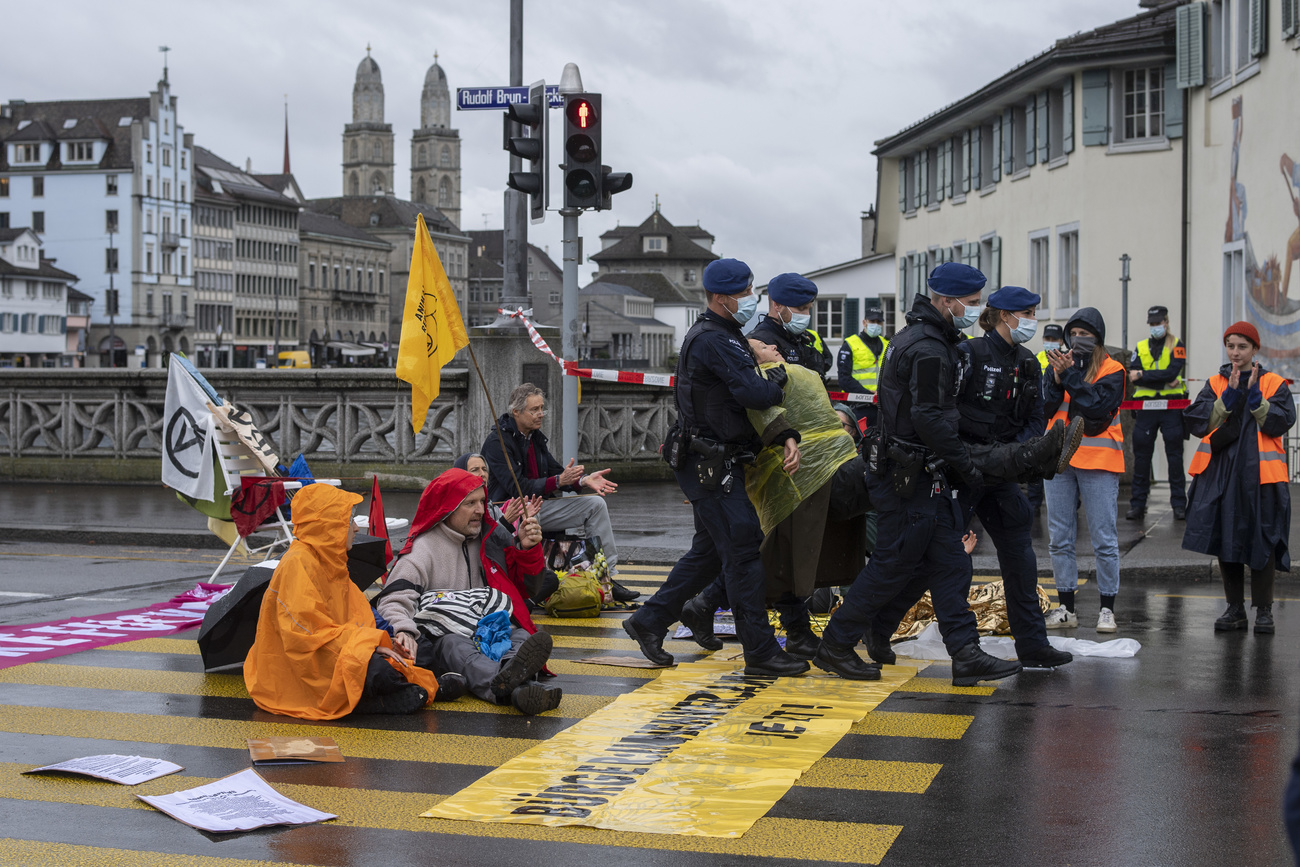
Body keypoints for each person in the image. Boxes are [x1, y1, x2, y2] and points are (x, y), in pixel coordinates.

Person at [811, 262, 1025, 687]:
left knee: (949, 564)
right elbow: (928, 417)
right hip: (908, 475)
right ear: (946, 301)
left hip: (918, 471)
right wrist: (966, 465)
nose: (974, 309)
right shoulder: (928, 348)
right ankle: (835, 644)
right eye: (971, 302)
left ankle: (965, 655)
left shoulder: (919, 338)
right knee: (891, 564)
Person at [622, 258, 809, 677]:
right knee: (743, 553)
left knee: (710, 553)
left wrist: (782, 432)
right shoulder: (715, 339)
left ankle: (648, 621)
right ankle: (760, 652)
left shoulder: (726, 334)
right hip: (711, 465)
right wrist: (774, 370)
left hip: (714, 460)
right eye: (744, 294)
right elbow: (757, 394)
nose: (751, 300)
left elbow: (741, 404)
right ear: (722, 299)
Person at [373, 468, 564, 714]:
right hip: (448, 641)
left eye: (482, 501)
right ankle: (514, 683)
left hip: (493, 633)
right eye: (470, 503)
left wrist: (527, 549)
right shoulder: (422, 550)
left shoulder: (492, 539)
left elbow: (527, 588)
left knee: (521, 636)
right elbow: (393, 601)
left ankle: (518, 691)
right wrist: (403, 629)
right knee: (454, 645)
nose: (481, 510)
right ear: (447, 507)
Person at [955, 287, 1077, 669]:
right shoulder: (970, 353)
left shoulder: (1027, 361)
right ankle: (883, 629)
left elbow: (1035, 418)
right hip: (964, 467)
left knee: (1020, 556)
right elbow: (947, 411)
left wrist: (1022, 453)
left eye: (1033, 312)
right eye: (1025, 312)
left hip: (1001, 470)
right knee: (941, 556)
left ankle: (1033, 645)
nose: (1031, 320)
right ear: (1004, 315)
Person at [244, 484, 440, 720]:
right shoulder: (298, 563)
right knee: (374, 669)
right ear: (328, 525)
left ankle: (402, 691)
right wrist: (370, 646)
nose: (356, 528)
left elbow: (358, 615)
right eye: (349, 521)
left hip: (338, 648)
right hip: (309, 663)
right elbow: (307, 634)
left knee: (419, 647)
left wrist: (388, 637)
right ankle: (396, 696)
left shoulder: (332, 560)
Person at [1182, 321, 1295, 633]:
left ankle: (1264, 611)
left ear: (1255, 349)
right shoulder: (1217, 382)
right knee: (1225, 539)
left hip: (1262, 476)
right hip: (1220, 474)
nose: (1235, 352)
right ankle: (1235, 609)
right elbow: (1198, 423)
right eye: (1230, 345)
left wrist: (1257, 401)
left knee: (1264, 541)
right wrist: (1227, 398)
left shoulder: (1274, 383)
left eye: (1242, 346)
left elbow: (1281, 422)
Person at [1042, 308, 1126, 633]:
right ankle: (1066, 608)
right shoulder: (1059, 364)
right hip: (1060, 459)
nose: (1078, 340)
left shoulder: (1112, 368)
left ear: (1098, 339)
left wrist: (1072, 376)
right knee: (1059, 537)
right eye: (1073, 333)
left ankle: (1107, 609)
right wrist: (1055, 377)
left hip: (1098, 462)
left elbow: (1096, 408)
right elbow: (1048, 407)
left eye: (1085, 334)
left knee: (1104, 538)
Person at [481, 384, 620, 568]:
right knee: (531, 513)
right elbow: (518, 488)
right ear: (516, 411)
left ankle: (607, 573)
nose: (541, 414)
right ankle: (536, 578)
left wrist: (583, 480)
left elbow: (556, 472)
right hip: (509, 510)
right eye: (534, 410)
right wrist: (557, 481)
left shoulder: (534, 436)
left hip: (539, 505)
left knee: (596, 505)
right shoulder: (497, 441)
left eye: (541, 408)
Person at [1126, 305, 1189, 521]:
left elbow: (1174, 372)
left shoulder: (1177, 345)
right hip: (1145, 408)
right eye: (1152, 324)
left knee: (1175, 457)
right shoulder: (1140, 346)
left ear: (1166, 322)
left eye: (1158, 323)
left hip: (1171, 406)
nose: (1155, 327)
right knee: (1142, 459)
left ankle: (1179, 505)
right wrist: (1161, 379)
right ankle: (1137, 505)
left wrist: (1143, 375)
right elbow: (1132, 375)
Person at [749, 272, 833, 376]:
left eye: (808, 309)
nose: (806, 315)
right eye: (801, 309)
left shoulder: (797, 336)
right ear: (778, 305)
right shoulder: (760, 343)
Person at [838, 304, 889, 426]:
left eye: (879, 321)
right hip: (859, 406)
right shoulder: (850, 344)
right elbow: (844, 379)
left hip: (882, 405)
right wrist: (868, 395)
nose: (875, 324)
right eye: (872, 321)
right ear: (864, 322)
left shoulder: (887, 344)